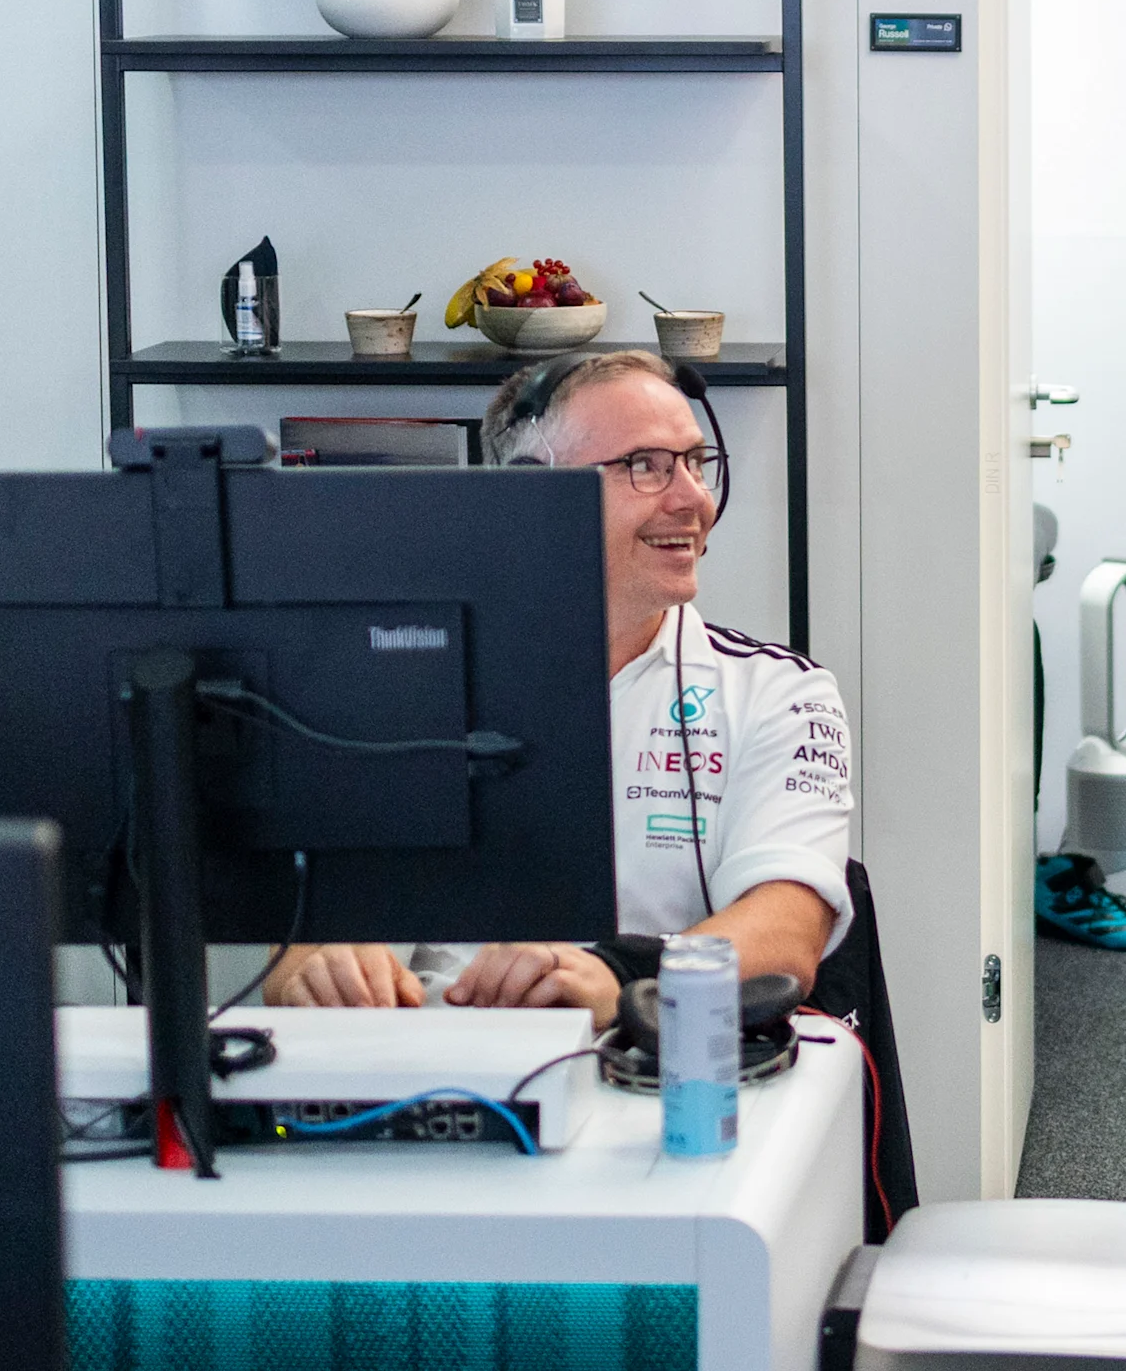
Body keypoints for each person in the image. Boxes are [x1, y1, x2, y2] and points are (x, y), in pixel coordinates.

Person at [261, 350, 853, 1023]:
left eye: (695, 462)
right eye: (646, 465)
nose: (694, 499)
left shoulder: (778, 693)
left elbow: (786, 936)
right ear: (527, 490)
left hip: (648, 1065)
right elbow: (295, 951)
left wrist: (618, 983)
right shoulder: (393, 685)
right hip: (424, 1067)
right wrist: (317, 969)